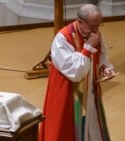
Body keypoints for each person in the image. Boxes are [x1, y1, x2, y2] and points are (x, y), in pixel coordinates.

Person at [39, 4, 114, 141]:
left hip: (90, 92)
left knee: (92, 125)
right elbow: (75, 73)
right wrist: (88, 48)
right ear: (80, 22)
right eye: (93, 26)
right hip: (69, 95)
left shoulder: (94, 34)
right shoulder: (63, 39)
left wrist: (105, 68)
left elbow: (102, 56)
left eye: (99, 25)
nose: (96, 30)